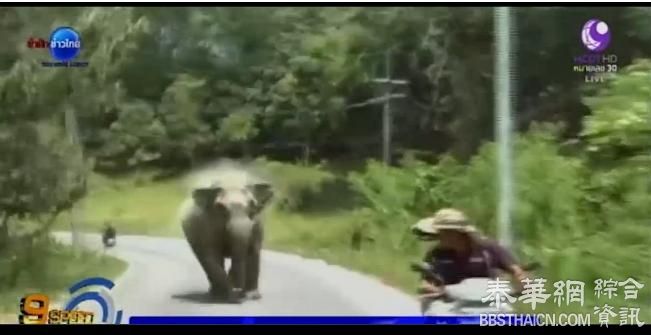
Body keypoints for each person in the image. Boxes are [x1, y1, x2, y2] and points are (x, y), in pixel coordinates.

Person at [411, 208, 528, 299]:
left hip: (488, 302)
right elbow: (425, 281)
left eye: (442, 233)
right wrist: (430, 289)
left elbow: (516, 270)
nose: (438, 236)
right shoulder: (436, 253)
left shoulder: (489, 249)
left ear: (456, 233)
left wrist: (524, 283)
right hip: (449, 304)